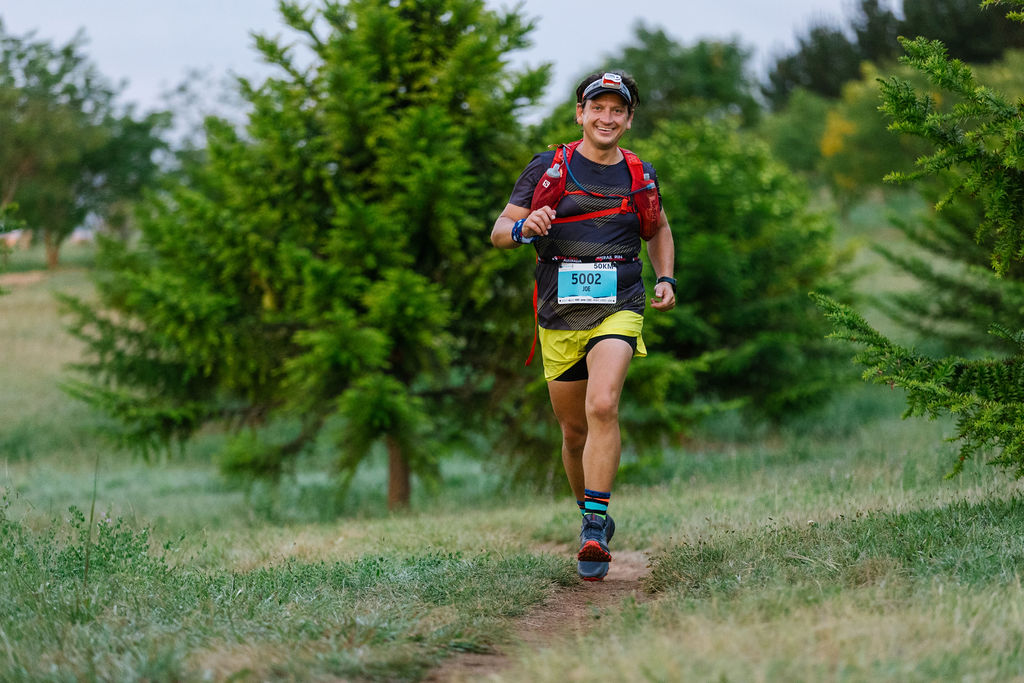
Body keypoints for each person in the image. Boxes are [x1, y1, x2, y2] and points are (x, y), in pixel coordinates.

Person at [490, 71, 676, 581]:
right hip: (558, 311)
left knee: (603, 403)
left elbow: (657, 228)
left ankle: (594, 524)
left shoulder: (640, 174)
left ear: (629, 119)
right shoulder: (549, 166)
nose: (608, 118)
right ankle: (590, 517)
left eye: (618, 110)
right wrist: (525, 228)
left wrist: (666, 278)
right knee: (573, 432)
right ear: (581, 113)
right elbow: (499, 232)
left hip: (620, 301)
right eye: (599, 108)